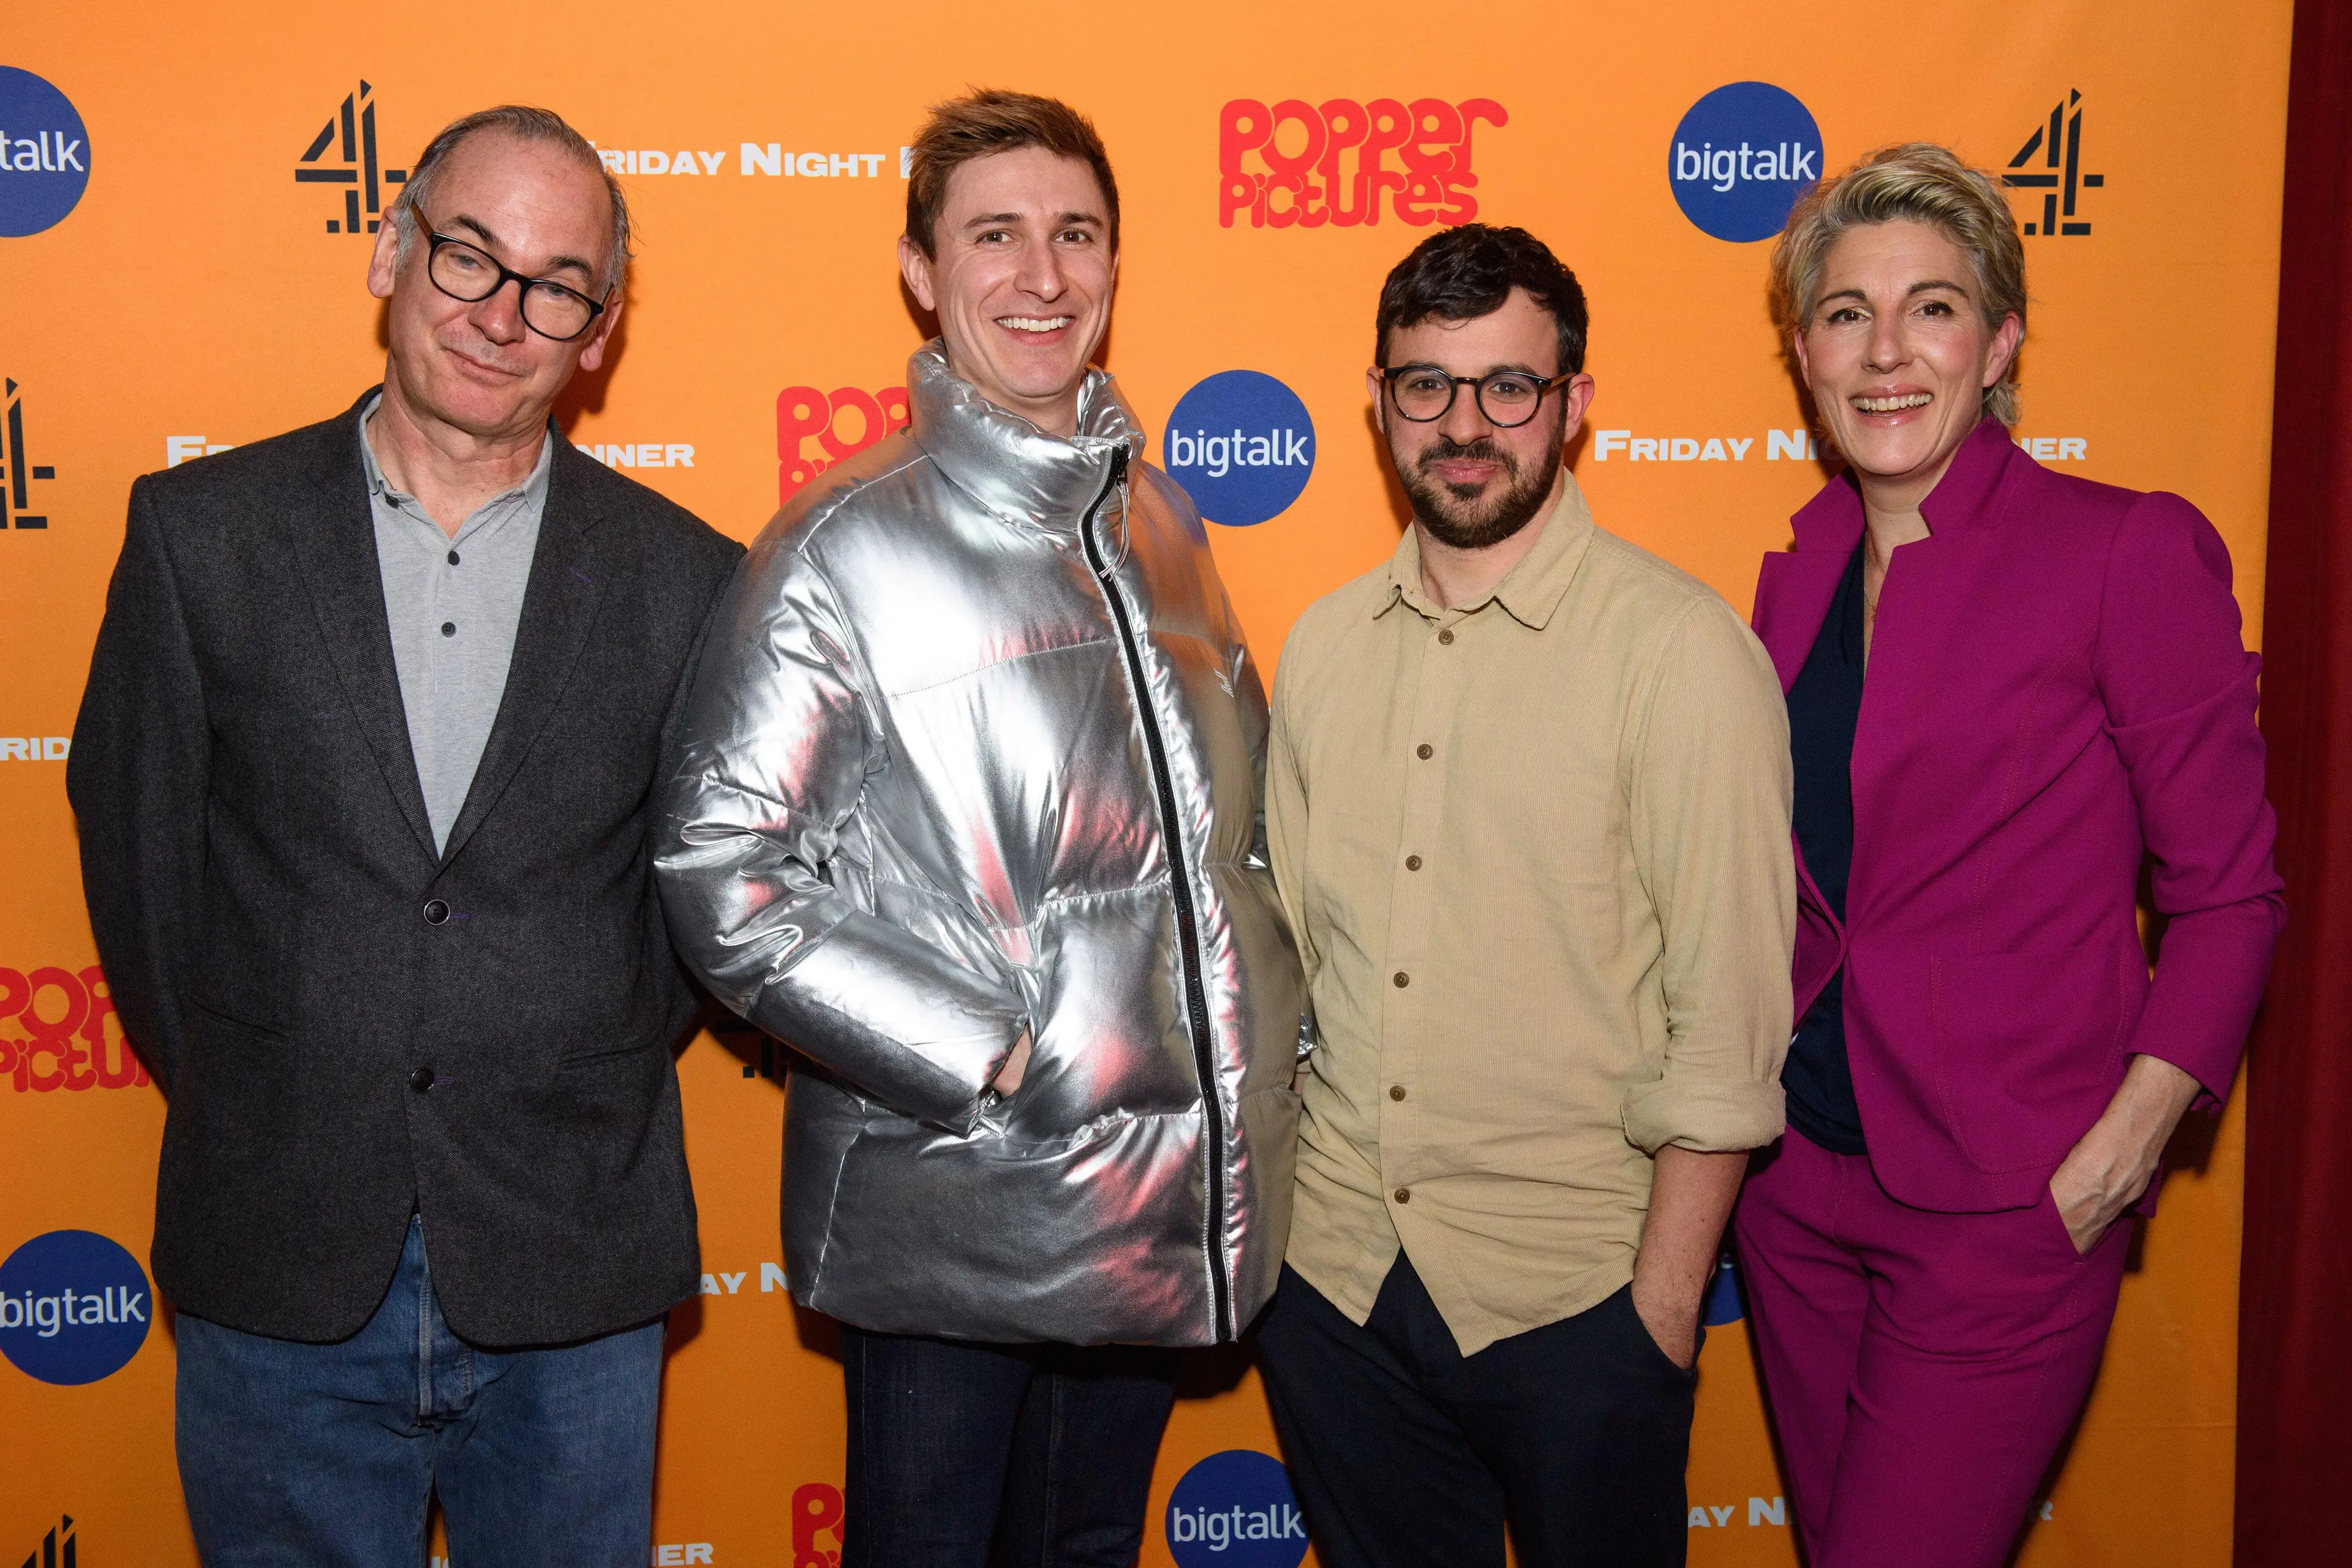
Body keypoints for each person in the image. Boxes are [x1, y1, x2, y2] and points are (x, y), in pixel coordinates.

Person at [67, 106, 742, 1567]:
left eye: (557, 286)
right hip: (277, 1245)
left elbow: (697, 912)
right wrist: (285, 1066)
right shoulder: (202, 535)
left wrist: (557, 1043)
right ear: (391, 249)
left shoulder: (691, 581)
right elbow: (140, 865)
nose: (502, 315)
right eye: (469, 257)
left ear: (600, 334)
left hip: (573, 1258)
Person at [653, 90, 1303, 1568]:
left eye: (1077, 235)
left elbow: (1234, 836)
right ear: (921, 270)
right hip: (954, 1205)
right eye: (995, 235)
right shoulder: (840, 544)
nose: (1043, 276)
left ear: (1116, 264)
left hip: (1149, 1205)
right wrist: (995, 1055)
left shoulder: (1164, 525)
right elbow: (723, 871)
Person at [1732, 143, 2283, 1568]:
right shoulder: (1796, 570)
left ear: (2001, 341)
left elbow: (2230, 894)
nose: (1887, 351)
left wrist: (2119, 1153)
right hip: (1793, 1189)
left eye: (1933, 307)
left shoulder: (2123, 552)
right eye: (1847, 313)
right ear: (1805, 354)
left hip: (2005, 1203)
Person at [1256, 223, 1795, 1568]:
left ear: (1575, 401)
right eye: (1427, 385)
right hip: (1335, 1289)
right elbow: (1300, 965)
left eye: (1509, 386)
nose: (1465, 425)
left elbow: (1729, 1023)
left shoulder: (1681, 654)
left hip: (1579, 1305)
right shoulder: (1321, 647)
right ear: (1377, 401)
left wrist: (1658, 1318)